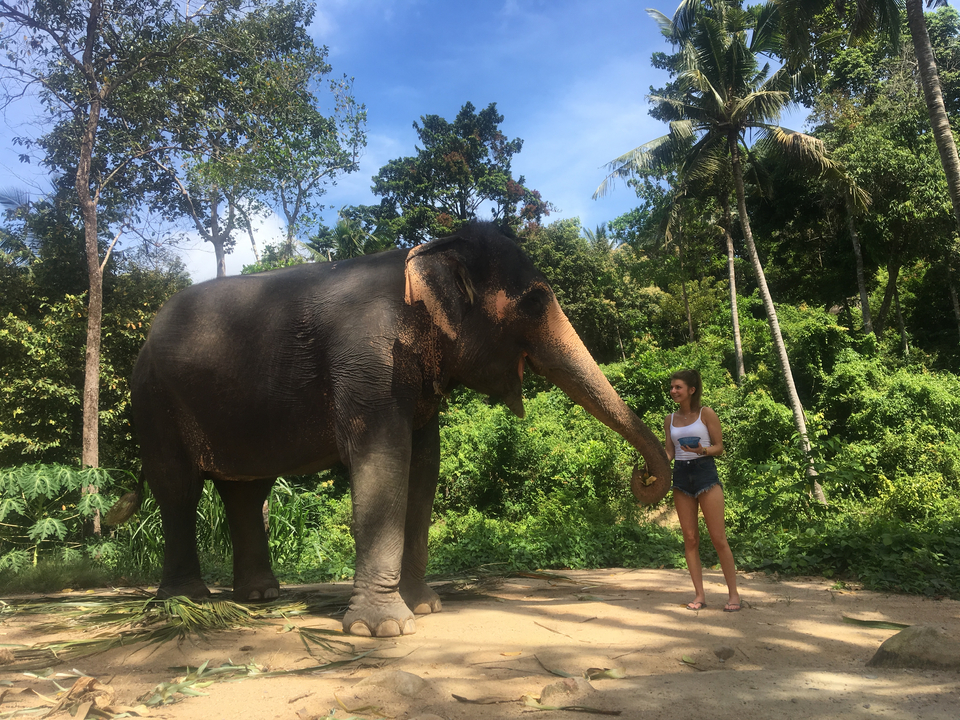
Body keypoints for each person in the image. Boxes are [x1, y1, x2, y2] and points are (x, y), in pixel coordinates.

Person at [664, 369, 740, 613]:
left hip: (705, 473)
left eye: (678, 387)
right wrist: (653, 464)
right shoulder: (670, 419)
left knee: (718, 539)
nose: (673, 391)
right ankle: (699, 595)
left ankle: (734, 595)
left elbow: (719, 447)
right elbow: (669, 452)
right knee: (690, 539)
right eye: (672, 387)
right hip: (681, 476)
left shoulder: (705, 414)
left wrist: (702, 450)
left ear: (691, 390)